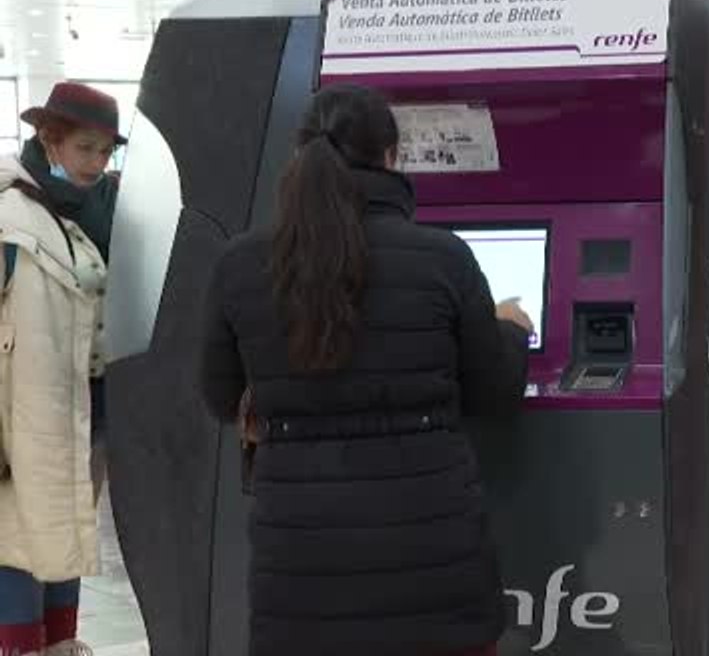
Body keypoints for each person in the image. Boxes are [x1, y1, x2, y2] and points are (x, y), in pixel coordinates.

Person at [198, 84, 531, 656]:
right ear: (392, 156)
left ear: (299, 154)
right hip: (432, 560)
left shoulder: (240, 264)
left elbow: (221, 395)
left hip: (302, 569)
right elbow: (493, 394)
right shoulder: (443, 256)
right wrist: (510, 327)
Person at [0, 84, 122, 655]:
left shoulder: (112, 210)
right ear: (50, 140)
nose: (96, 164)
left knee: (68, 523)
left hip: (90, 401)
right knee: (19, 537)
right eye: (85, 149)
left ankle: (62, 643)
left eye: (105, 151)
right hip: (23, 403)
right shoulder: (9, 211)